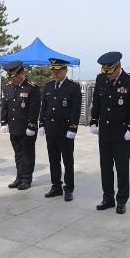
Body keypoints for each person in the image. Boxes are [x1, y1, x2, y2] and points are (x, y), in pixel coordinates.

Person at [90, 51, 130, 214]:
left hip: (121, 132)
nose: (108, 76)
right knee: (105, 167)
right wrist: (93, 120)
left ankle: (122, 200)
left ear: (118, 67)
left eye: (110, 72)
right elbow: (96, 101)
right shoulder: (101, 78)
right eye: (106, 73)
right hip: (104, 131)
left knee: (122, 168)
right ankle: (108, 198)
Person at [38, 58, 82, 201]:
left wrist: (73, 128)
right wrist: (41, 124)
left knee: (68, 161)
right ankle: (56, 186)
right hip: (50, 130)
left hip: (65, 130)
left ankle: (69, 188)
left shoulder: (73, 87)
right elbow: (44, 107)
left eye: (58, 70)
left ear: (65, 70)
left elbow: (76, 110)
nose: (55, 73)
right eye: (53, 70)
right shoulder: (49, 86)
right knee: (53, 160)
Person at [0, 61, 41, 190]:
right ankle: (19, 177)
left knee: (27, 154)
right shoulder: (8, 87)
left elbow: (34, 109)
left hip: (26, 128)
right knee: (18, 154)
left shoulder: (32, 88)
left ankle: (27, 179)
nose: (12, 79)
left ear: (21, 73)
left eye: (14, 76)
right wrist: (4, 122)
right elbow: (5, 106)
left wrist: (31, 125)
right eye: (10, 77)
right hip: (14, 127)